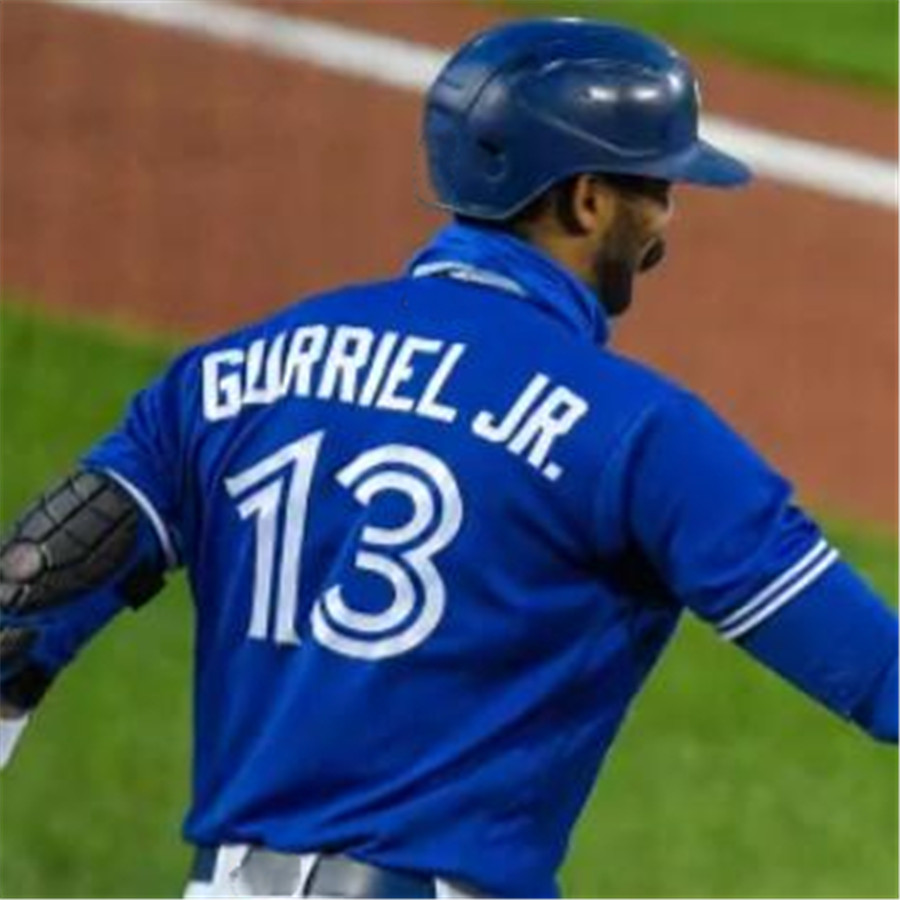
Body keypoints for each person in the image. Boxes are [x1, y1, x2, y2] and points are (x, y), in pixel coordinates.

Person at [1, 18, 896, 900]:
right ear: (586, 198)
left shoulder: (222, 376)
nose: (663, 222)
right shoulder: (640, 434)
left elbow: (26, 596)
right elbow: (879, 675)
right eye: (655, 188)